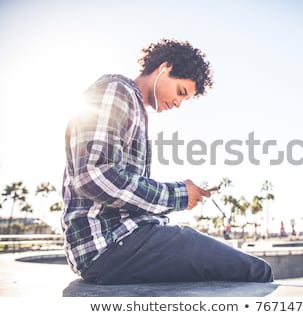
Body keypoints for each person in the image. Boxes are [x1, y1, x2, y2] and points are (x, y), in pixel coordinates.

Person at [61, 39, 273, 284]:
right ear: (164, 68)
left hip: (122, 243)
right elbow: (94, 176)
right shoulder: (117, 91)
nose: (178, 103)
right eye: (180, 91)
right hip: (110, 245)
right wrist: (179, 194)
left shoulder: (133, 107)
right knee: (256, 271)